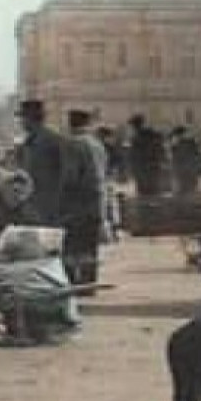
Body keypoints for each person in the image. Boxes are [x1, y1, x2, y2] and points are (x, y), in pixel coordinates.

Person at [65, 110, 110, 279]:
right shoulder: (97, 145)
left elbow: (70, 176)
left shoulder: (71, 145)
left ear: (71, 124)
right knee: (90, 246)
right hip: (96, 200)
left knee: (71, 246)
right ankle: (89, 281)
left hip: (76, 203)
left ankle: (73, 281)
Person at [14, 100, 72, 228]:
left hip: (50, 209)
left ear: (31, 118)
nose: (21, 122)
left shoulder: (55, 141)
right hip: (31, 208)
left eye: (23, 118)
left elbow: (66, 174)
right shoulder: (26, 144)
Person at [126, 115, 168, 197]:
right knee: (155, 193)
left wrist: (132, 170)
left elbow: (133, 157)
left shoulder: (136, 139)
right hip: (154, 169)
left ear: (135, 126)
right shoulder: (154, 135)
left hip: (143, 171)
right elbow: (161, 151)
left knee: (144, 195)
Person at [169, 126, 201, 196]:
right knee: (189, 192)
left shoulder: (177, 146)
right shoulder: (191, 143)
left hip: (184, 174)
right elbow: (198, 157)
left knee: (185, 192)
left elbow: (175, 161)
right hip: (190, 173)